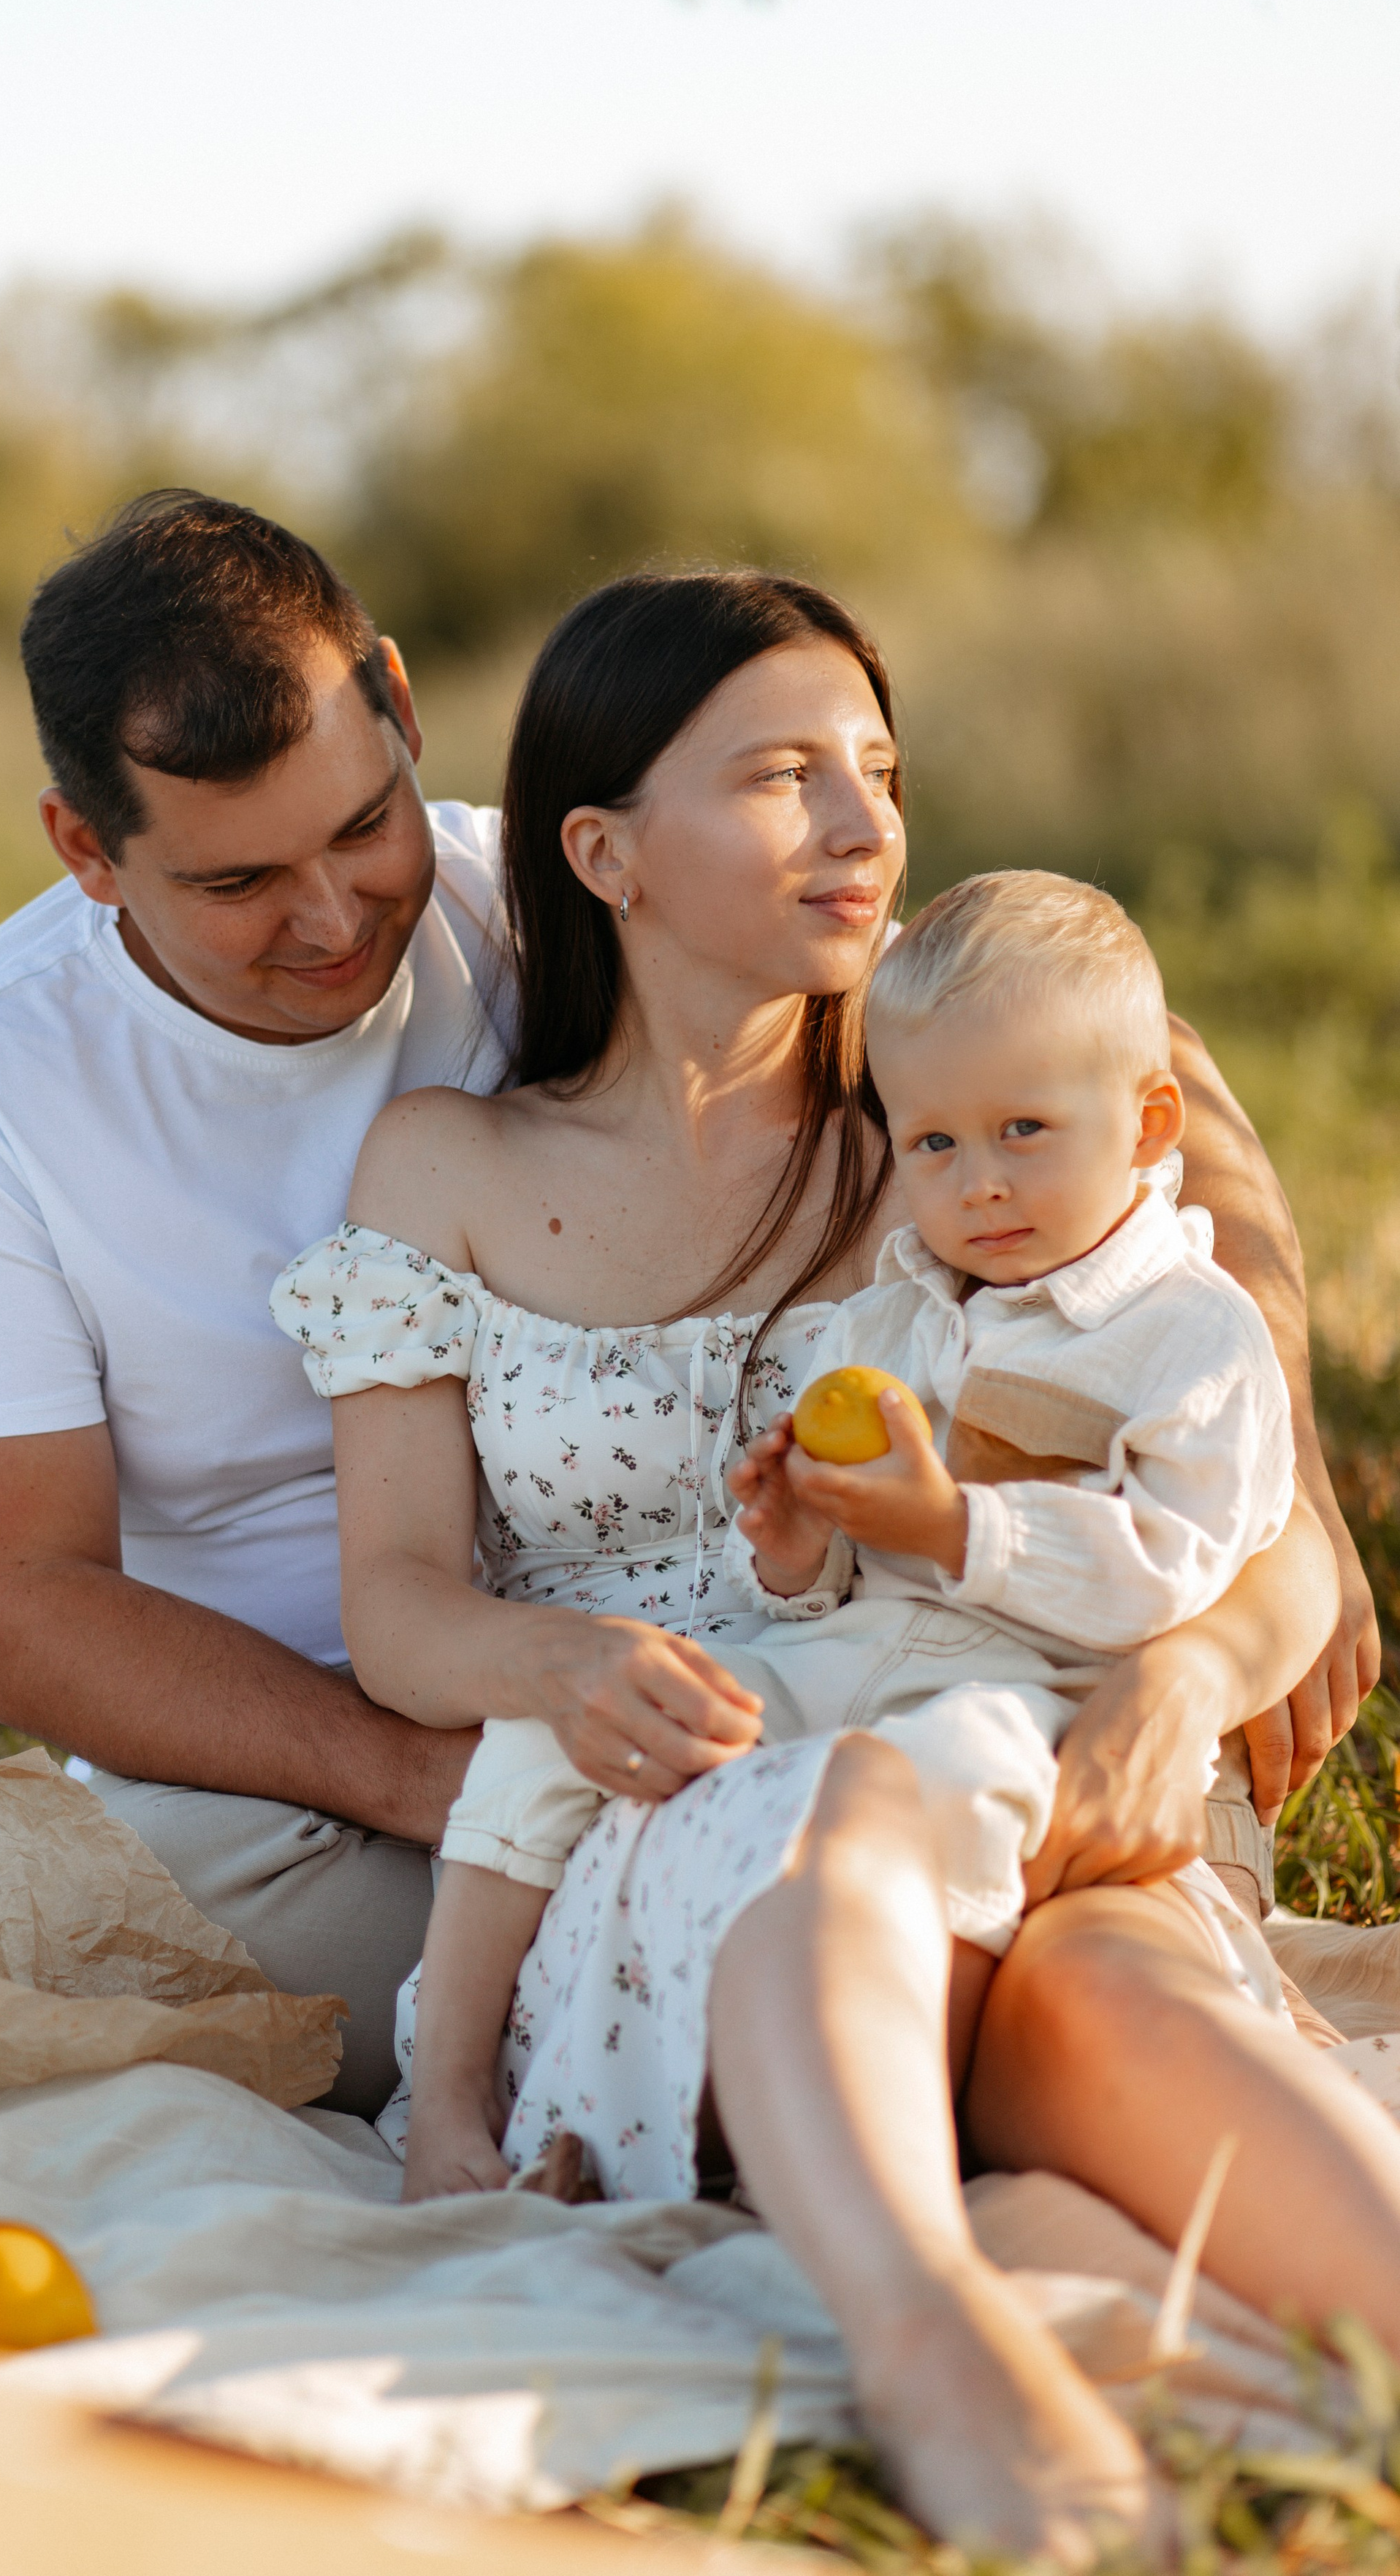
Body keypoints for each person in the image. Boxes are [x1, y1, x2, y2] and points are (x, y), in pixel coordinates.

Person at [0, 486, 1371, 2124]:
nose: (335, 916)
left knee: (955, 1957)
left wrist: (1263, 1459)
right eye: (237, 886)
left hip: (753, 1690)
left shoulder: (582, 893)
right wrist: (432, 1772)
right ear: (87, 847)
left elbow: (1115, 1063)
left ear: (401, 708)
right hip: (294, 1762)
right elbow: (12, 1600)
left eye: (362, 826)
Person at [281, 567, 1400, 2562]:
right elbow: (399, 1608)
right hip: (705, 1792)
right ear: (602, 849)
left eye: (877, 771)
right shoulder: (448, 1174)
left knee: (1122, 2001)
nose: (868, 827)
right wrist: (557, 1671)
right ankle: (939, 2348)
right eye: (787, 777)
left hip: (1058, 1779)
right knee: (848, 1816)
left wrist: (1194, 1676)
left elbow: (1284, 1552)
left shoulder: (983, 1128)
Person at [350, 869, 1293, 2198]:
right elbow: (824, 1582)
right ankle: (450, 2106)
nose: (981, 1187)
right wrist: (793, 1543)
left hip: (1024, 1692)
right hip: (854, 1657)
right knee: (550, 1742)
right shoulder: (895, 1314)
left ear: (1146, 1125)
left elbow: (1179, 1564)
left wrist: (961, 1527)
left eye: (1026, 1130)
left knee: (932, 1788)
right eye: (936, 1148)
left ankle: (869, 2131)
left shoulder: (1189, 1331)